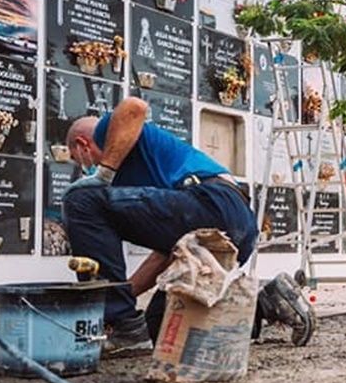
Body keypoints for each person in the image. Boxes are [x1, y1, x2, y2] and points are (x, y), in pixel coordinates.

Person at [63, 96, 315, 351]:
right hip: (233, 222)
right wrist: (123, 297)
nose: (86, 167)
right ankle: (268, 301)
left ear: (83, 145)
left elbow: (134, 107)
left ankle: (120, 322)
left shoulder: (108, 130)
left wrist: (103, 174)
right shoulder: (149, 186)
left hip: (212, 202)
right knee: (161, 322)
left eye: (78, 159)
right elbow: (163, 255)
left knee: (79, 199)